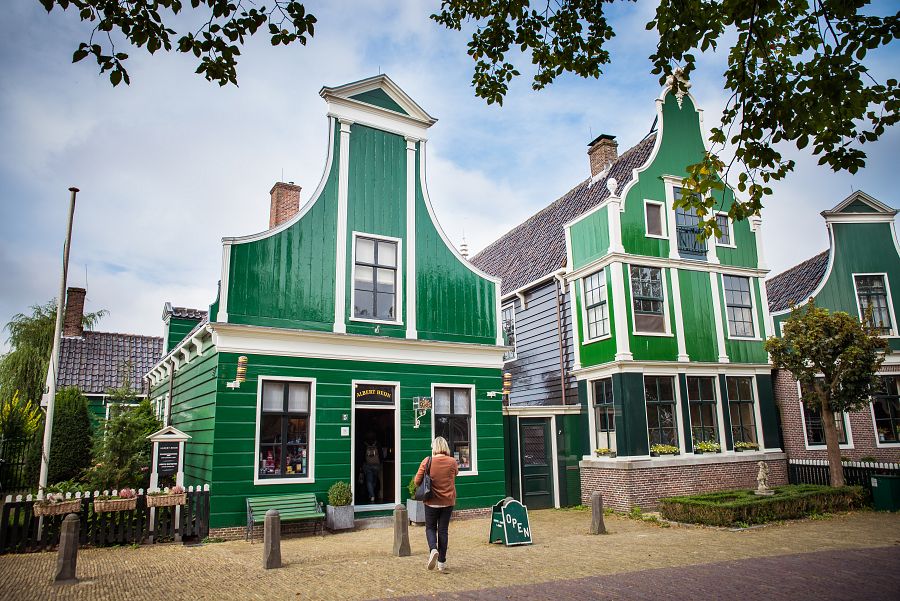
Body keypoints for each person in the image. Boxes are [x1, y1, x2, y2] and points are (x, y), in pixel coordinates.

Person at [414, 436, 459, 573]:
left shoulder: (427, 461)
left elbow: (417, 481)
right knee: (443, 531)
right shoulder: (452, 461)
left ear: (434, 447)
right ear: (445, 447)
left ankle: (433, 549)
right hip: (447, 502)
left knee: (430, 528)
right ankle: (441, 563)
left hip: (431, 502)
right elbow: (456, 474)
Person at [362, 432, 381, 503]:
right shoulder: (377, 444)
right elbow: (381, 454)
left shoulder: (364, 444)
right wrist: (380, 462)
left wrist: (361, 464)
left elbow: (361, 454)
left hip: (367, 465)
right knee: (374, 480)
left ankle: (372, 495)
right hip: (376, 465)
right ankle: (371, 494)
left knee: (369, 481)